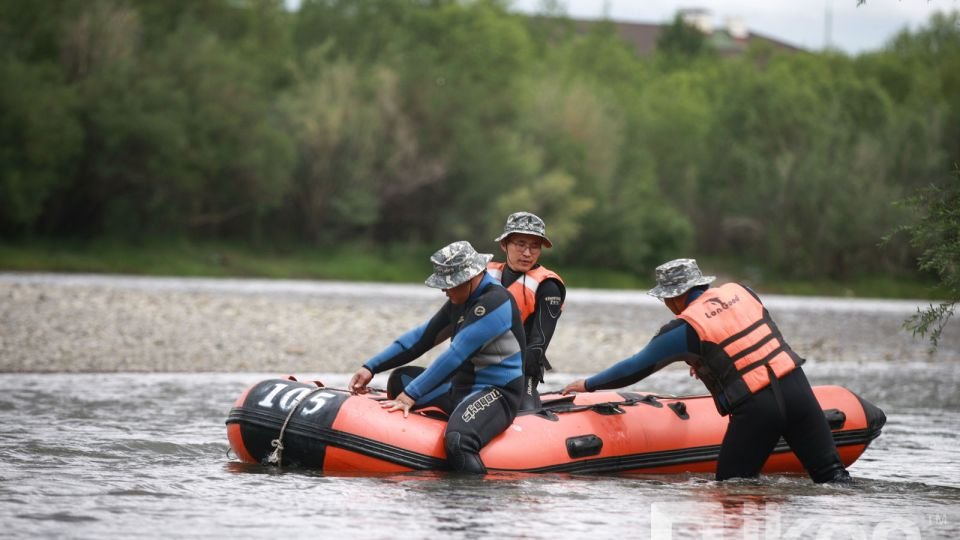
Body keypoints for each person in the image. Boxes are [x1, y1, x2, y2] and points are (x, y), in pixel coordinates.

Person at [561, 258, 851, 483]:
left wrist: (588, 384)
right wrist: (707, 360)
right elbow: (744, 337)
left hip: (758, 407)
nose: (666, 305)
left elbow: (636, 367)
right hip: (797, 388)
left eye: (665, 299)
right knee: (833, 477)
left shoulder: (684, 328)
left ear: (674, 296)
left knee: (732, 487)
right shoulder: (742, 292)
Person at [348, 240, 526, 474]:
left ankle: (472, 497)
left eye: (449, 284)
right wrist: (371, 367)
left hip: (497, 393)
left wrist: (411, 395)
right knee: (399, 380)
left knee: (458, 440)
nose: (444, 290)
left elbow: (456, 355)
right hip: (459, 388)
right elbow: (420, 339)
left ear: (471, 278)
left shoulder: (495, 302)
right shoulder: (460, 300)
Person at [487, 211, 566, 409]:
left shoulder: (548, 286)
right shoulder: (484, 277)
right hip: (476, 366)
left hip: (521, 371)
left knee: (525, 413)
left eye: (535, 247)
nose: (527, 253)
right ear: (504, 244)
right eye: (520, 244)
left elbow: (537, 347)